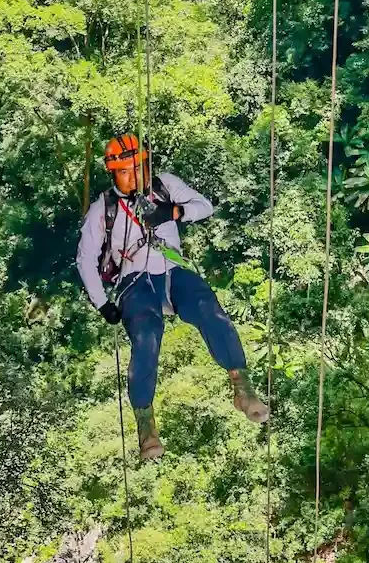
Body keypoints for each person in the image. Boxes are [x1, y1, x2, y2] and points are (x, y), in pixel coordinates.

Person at [76, 133, 269, 461]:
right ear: (113, 174)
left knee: (209, 308)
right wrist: (102, 302)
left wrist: (171, 212)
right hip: (134, 281)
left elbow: (205, 207)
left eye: (137, 168)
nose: (133, 176)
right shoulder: (104, 209)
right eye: (124, 172)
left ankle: (241, 385)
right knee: (147, 335)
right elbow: (85, 258)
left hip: (172, 271)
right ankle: (145, 423)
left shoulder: (164, 186)